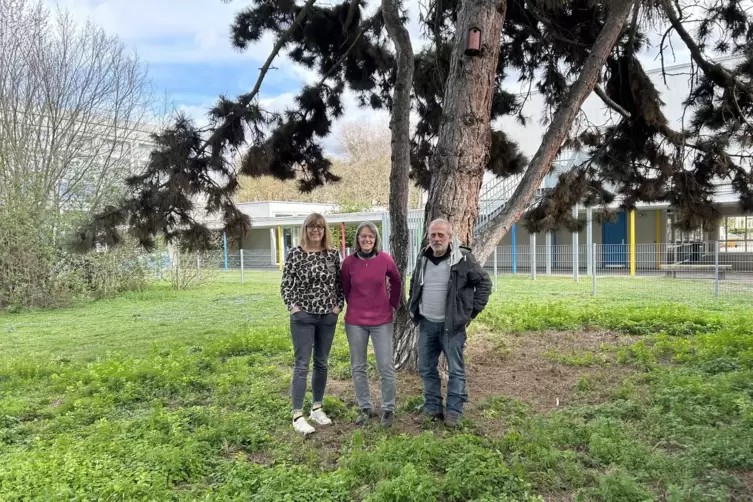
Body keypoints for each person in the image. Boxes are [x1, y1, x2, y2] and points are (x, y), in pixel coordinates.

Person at [407, 218, 492, 427]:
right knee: (426, 368)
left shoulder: (463, 259)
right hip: (426, 324)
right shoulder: (423, 258)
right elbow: (415, 283)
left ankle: (454, 411)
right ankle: (433, 408)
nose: (436, 239)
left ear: (449, 237)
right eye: (433, 235)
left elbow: (484, 283)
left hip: (451, 327)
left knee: (455, 370)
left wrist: (469, 314)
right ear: (428, 236)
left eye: (441, 235)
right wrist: (413, 306)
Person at [280, 213, 345, 435]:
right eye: (311, 227)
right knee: (301, 365)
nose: (315, 230)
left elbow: (340, 283)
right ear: (305, 229)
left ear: (324, 230)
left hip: (328, 315)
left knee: (322, 362)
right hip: (303, 316)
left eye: (319, 227)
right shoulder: (295, 254)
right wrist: (293, 307)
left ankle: (317, 407)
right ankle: (297, 414)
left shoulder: (332, 254)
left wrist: (338, 306)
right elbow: (286, 284)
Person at [341, 222, 402, 428]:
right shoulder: (349, 262)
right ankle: (365, 407)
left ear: (375, 239)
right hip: (355, 321)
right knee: (358, 366)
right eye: (363, 236)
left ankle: (388, 408)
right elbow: (345, 288)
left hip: (381, 320)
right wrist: (357, 306)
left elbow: (396, 281)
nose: (367, 240)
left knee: (385, 365)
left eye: (371, 237)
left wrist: (392, 304)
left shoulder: (385, 259)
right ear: (357, 239)